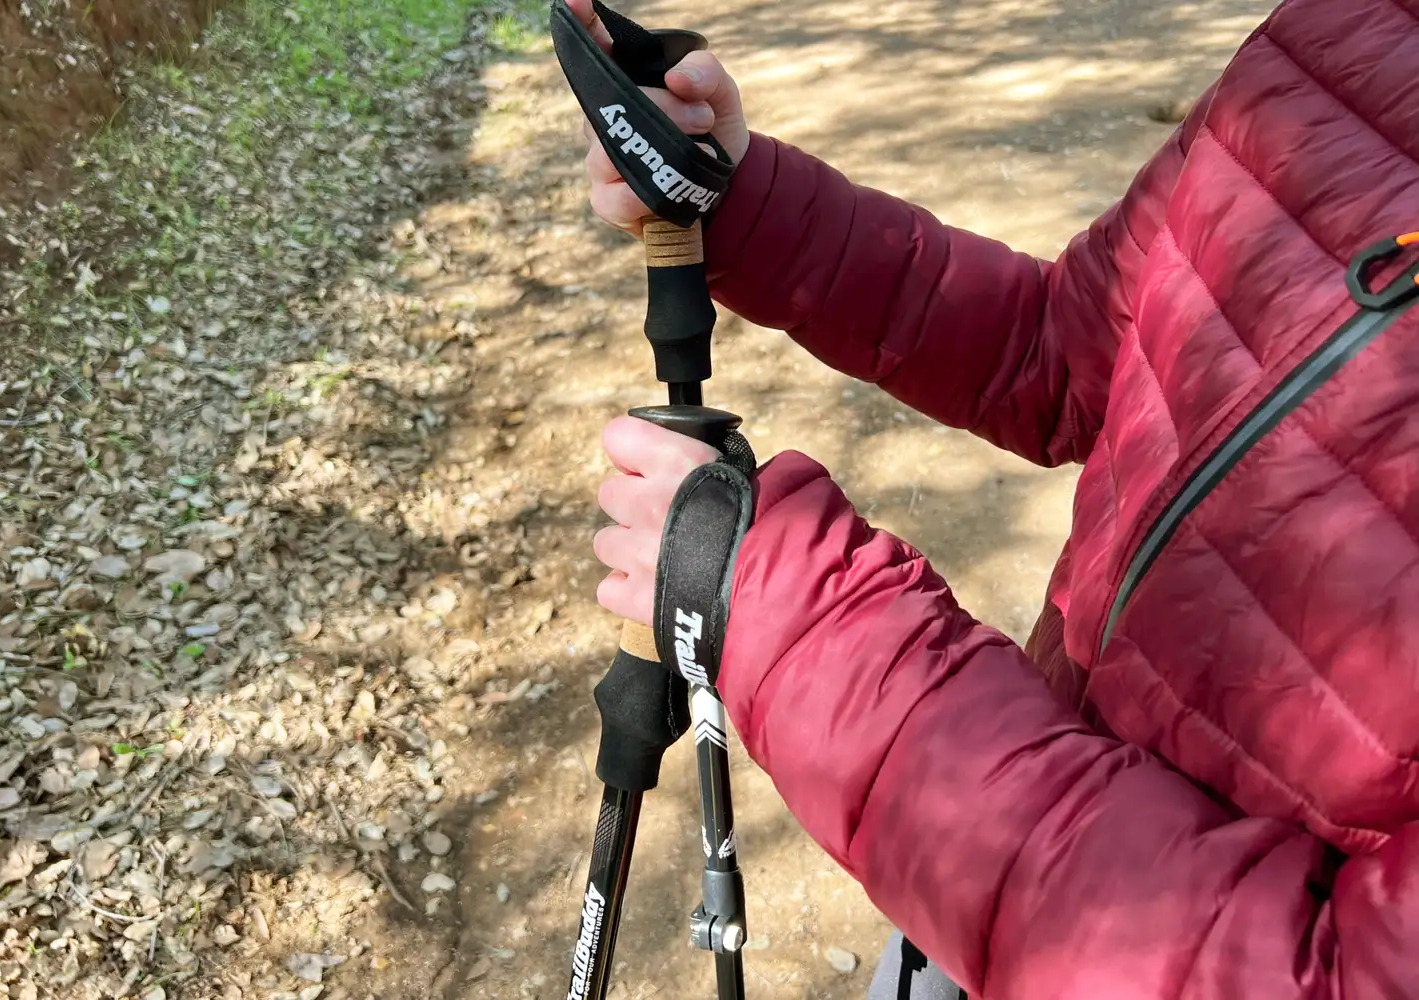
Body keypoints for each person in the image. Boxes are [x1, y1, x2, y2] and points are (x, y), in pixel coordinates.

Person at [565, 0, 1419, 995]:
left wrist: (795, 616)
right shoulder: (1348, 30)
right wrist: (746, 205)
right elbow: (1060, 349)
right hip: (984, 864)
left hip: (1045, 890)